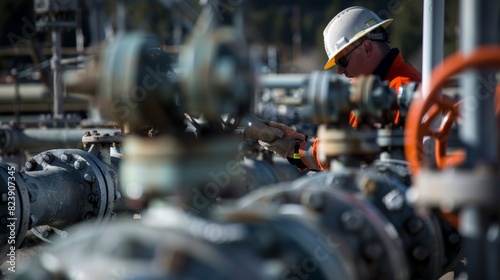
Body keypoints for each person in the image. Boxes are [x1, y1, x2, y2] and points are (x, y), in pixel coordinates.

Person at [258, 6, 422, 171]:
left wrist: (296, 150)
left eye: (343, 61)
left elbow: (353, 154)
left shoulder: (400, 90)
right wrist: (300, 141)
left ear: (367, 48)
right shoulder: (373, 90)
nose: (340, 71)